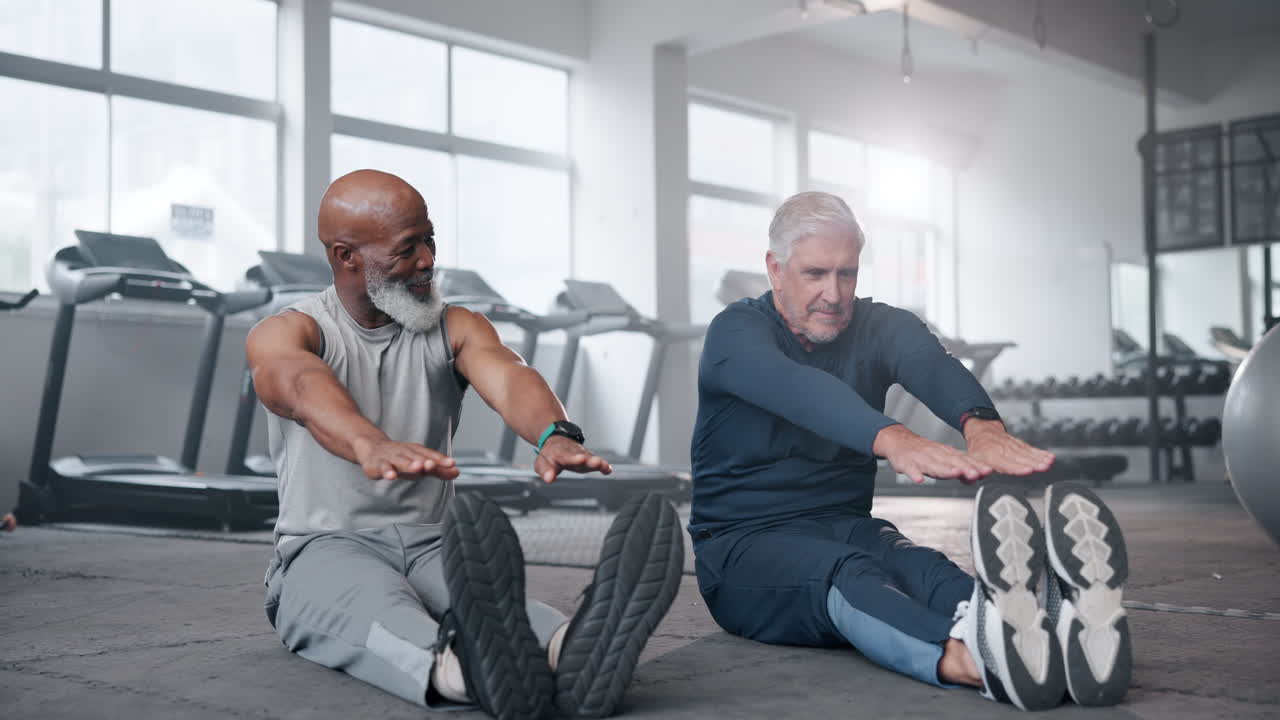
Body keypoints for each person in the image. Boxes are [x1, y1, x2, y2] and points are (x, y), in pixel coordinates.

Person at [248, 169, 684, 720]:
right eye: (408, 249)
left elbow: (507, 372)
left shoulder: (453, 325)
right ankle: (465, 673)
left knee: (499, 609)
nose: (429, 259)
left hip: (435, 541)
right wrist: (367, 444)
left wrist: (554, 432)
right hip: (325, 545)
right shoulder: (290, 330)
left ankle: (570, 649)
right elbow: (296, 383)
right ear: (346, 256)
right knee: (376, 614)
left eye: (430, 239)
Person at [688, 191, 1131, 710]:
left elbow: (927, 361)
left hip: (846, 523)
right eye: (815, 274)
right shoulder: (735, 334)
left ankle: (1047, 640)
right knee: (850, 575)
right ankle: (972, 661)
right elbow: (800, 390)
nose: (835, 293)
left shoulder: (875, 325)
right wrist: (893, 438)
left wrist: (980, 425)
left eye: (847, 273)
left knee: (925, 569)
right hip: (743, 550)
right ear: (775, 269)